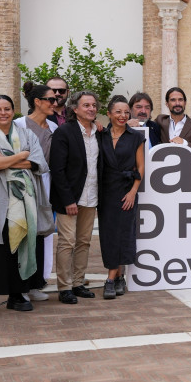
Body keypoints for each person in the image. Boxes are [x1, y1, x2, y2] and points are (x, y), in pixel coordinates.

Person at [0, 95, 53, 317]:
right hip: (2, 201)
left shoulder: (28, 134)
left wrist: (6, 159)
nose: (3, 113)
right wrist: (21, 155)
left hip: (28, 201)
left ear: (13, 111)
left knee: (25, 245)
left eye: (7, 109)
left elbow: (39, 164)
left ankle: (18, 294)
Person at [50, 91, 102, 304]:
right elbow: (57, 169)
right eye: (86, 105)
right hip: (70, 198)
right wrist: (68, 200)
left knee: (84, 242)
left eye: (93, 105)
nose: (91, 108)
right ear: (75, 109)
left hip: (92, 196)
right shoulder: (65, 132)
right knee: (67, 242)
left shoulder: (100, 132)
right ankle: (64, 287)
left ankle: (78, 282)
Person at [15, 82, 60, 303]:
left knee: (41, 233)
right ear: (37, 102)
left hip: (46, 188)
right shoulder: (18, 125)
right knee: (23, 234)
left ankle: (35, 283)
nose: (55, 103)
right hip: (22, 187)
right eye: (51, 99)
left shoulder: (54, 128)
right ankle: (20, 286)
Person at [97, 96, 145, 299]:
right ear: (109, 114)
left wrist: (134, 191)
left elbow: (141, 167)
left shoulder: (135, 137)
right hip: (106, 191)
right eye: (118, 112)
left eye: (126, 112)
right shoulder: (100, 136)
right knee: (108, 235)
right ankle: (118, 278)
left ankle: (111, 279)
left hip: (127, 191)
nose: (123, 116)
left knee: (124, 234)